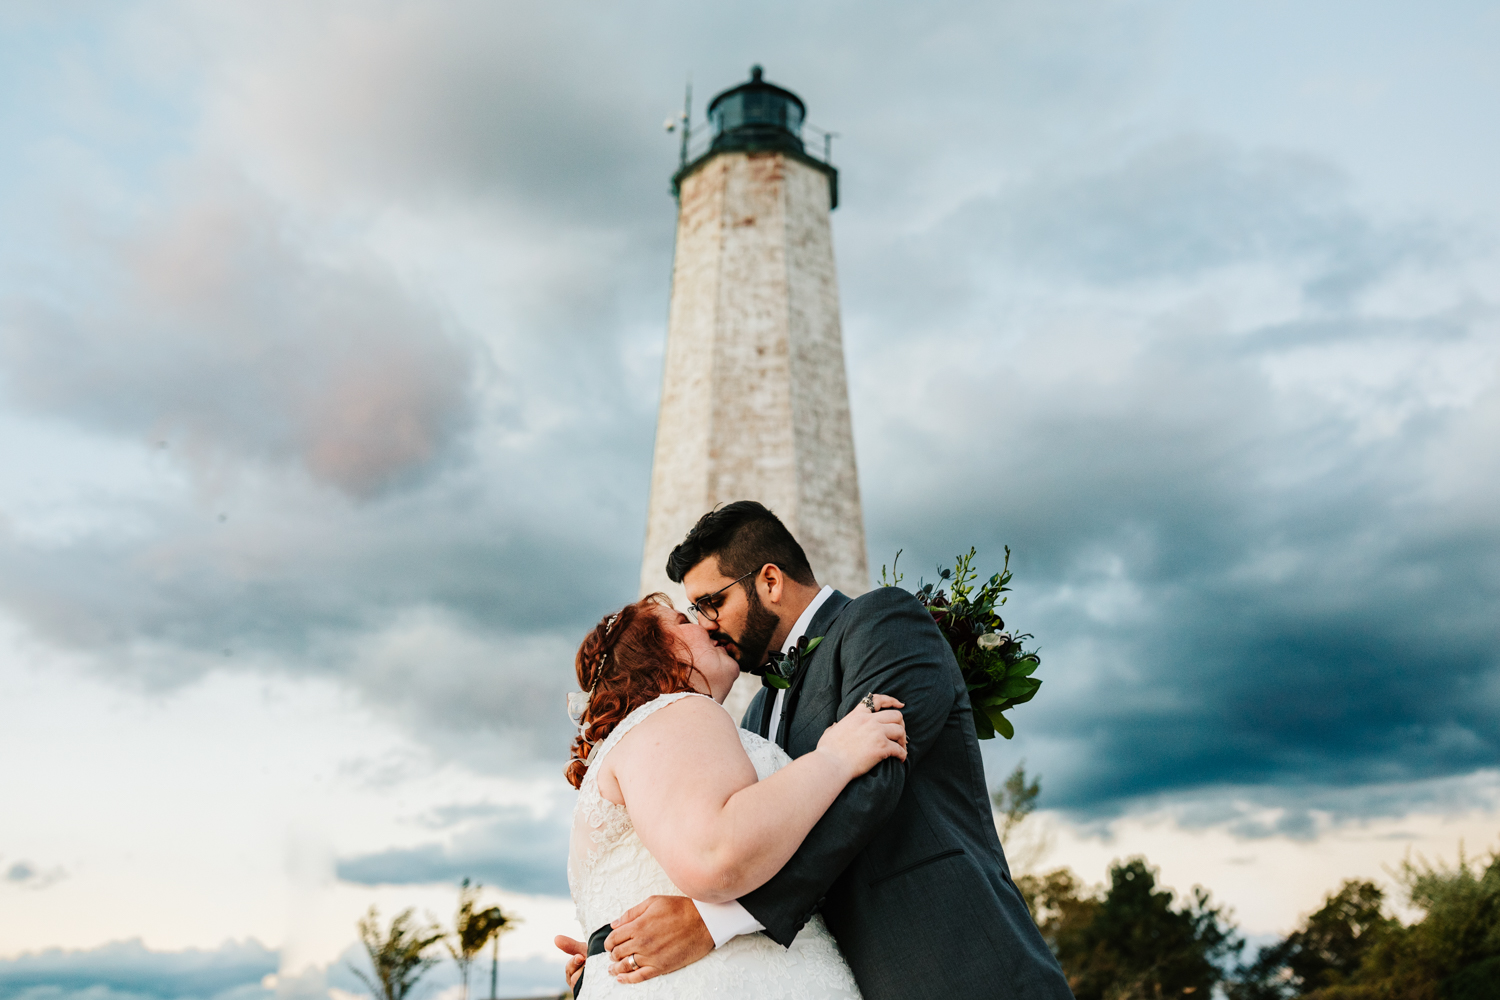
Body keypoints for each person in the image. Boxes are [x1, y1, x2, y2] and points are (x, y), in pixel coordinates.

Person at [569, 501, 1074, 1000]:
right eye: (694, 612)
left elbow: (872, 781)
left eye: (711, 602)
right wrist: (606, 952)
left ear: (770, 581)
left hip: (952, 962)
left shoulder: (883, 622)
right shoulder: (751, 714)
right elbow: (755, 831)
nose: (705, 623)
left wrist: (713, 921)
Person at [556, 591, 908, 998]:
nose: (706, 624)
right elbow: (715, 855)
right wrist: (834, 758)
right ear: (656, 654)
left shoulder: (633, 743)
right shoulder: (678, 712)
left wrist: (603, 955)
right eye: (685, 622)